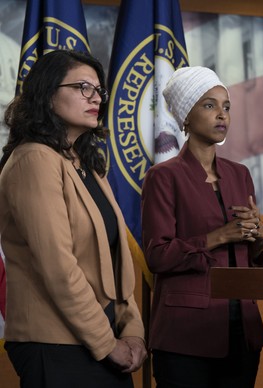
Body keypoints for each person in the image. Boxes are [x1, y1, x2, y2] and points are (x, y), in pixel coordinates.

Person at [0, 50, 147, 387]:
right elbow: (59, 268)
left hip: (105, 342)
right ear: (48, 94)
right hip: (57, 346)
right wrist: (107, 343)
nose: (96, 97)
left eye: (99, 90)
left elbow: (114, 263)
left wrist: (134, 332)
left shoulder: (85, 165)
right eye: (83, 87)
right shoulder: (33, 159)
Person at [141, 66, 263, 388]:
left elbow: (257, 257)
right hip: (185, 335)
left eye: (226, 107)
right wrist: (218, 237)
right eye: (209, 105)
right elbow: (157, 255)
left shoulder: (239, 173)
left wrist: (259, 236)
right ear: (186, 116)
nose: (221, 115)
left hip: (242, 328)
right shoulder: (163, 176)